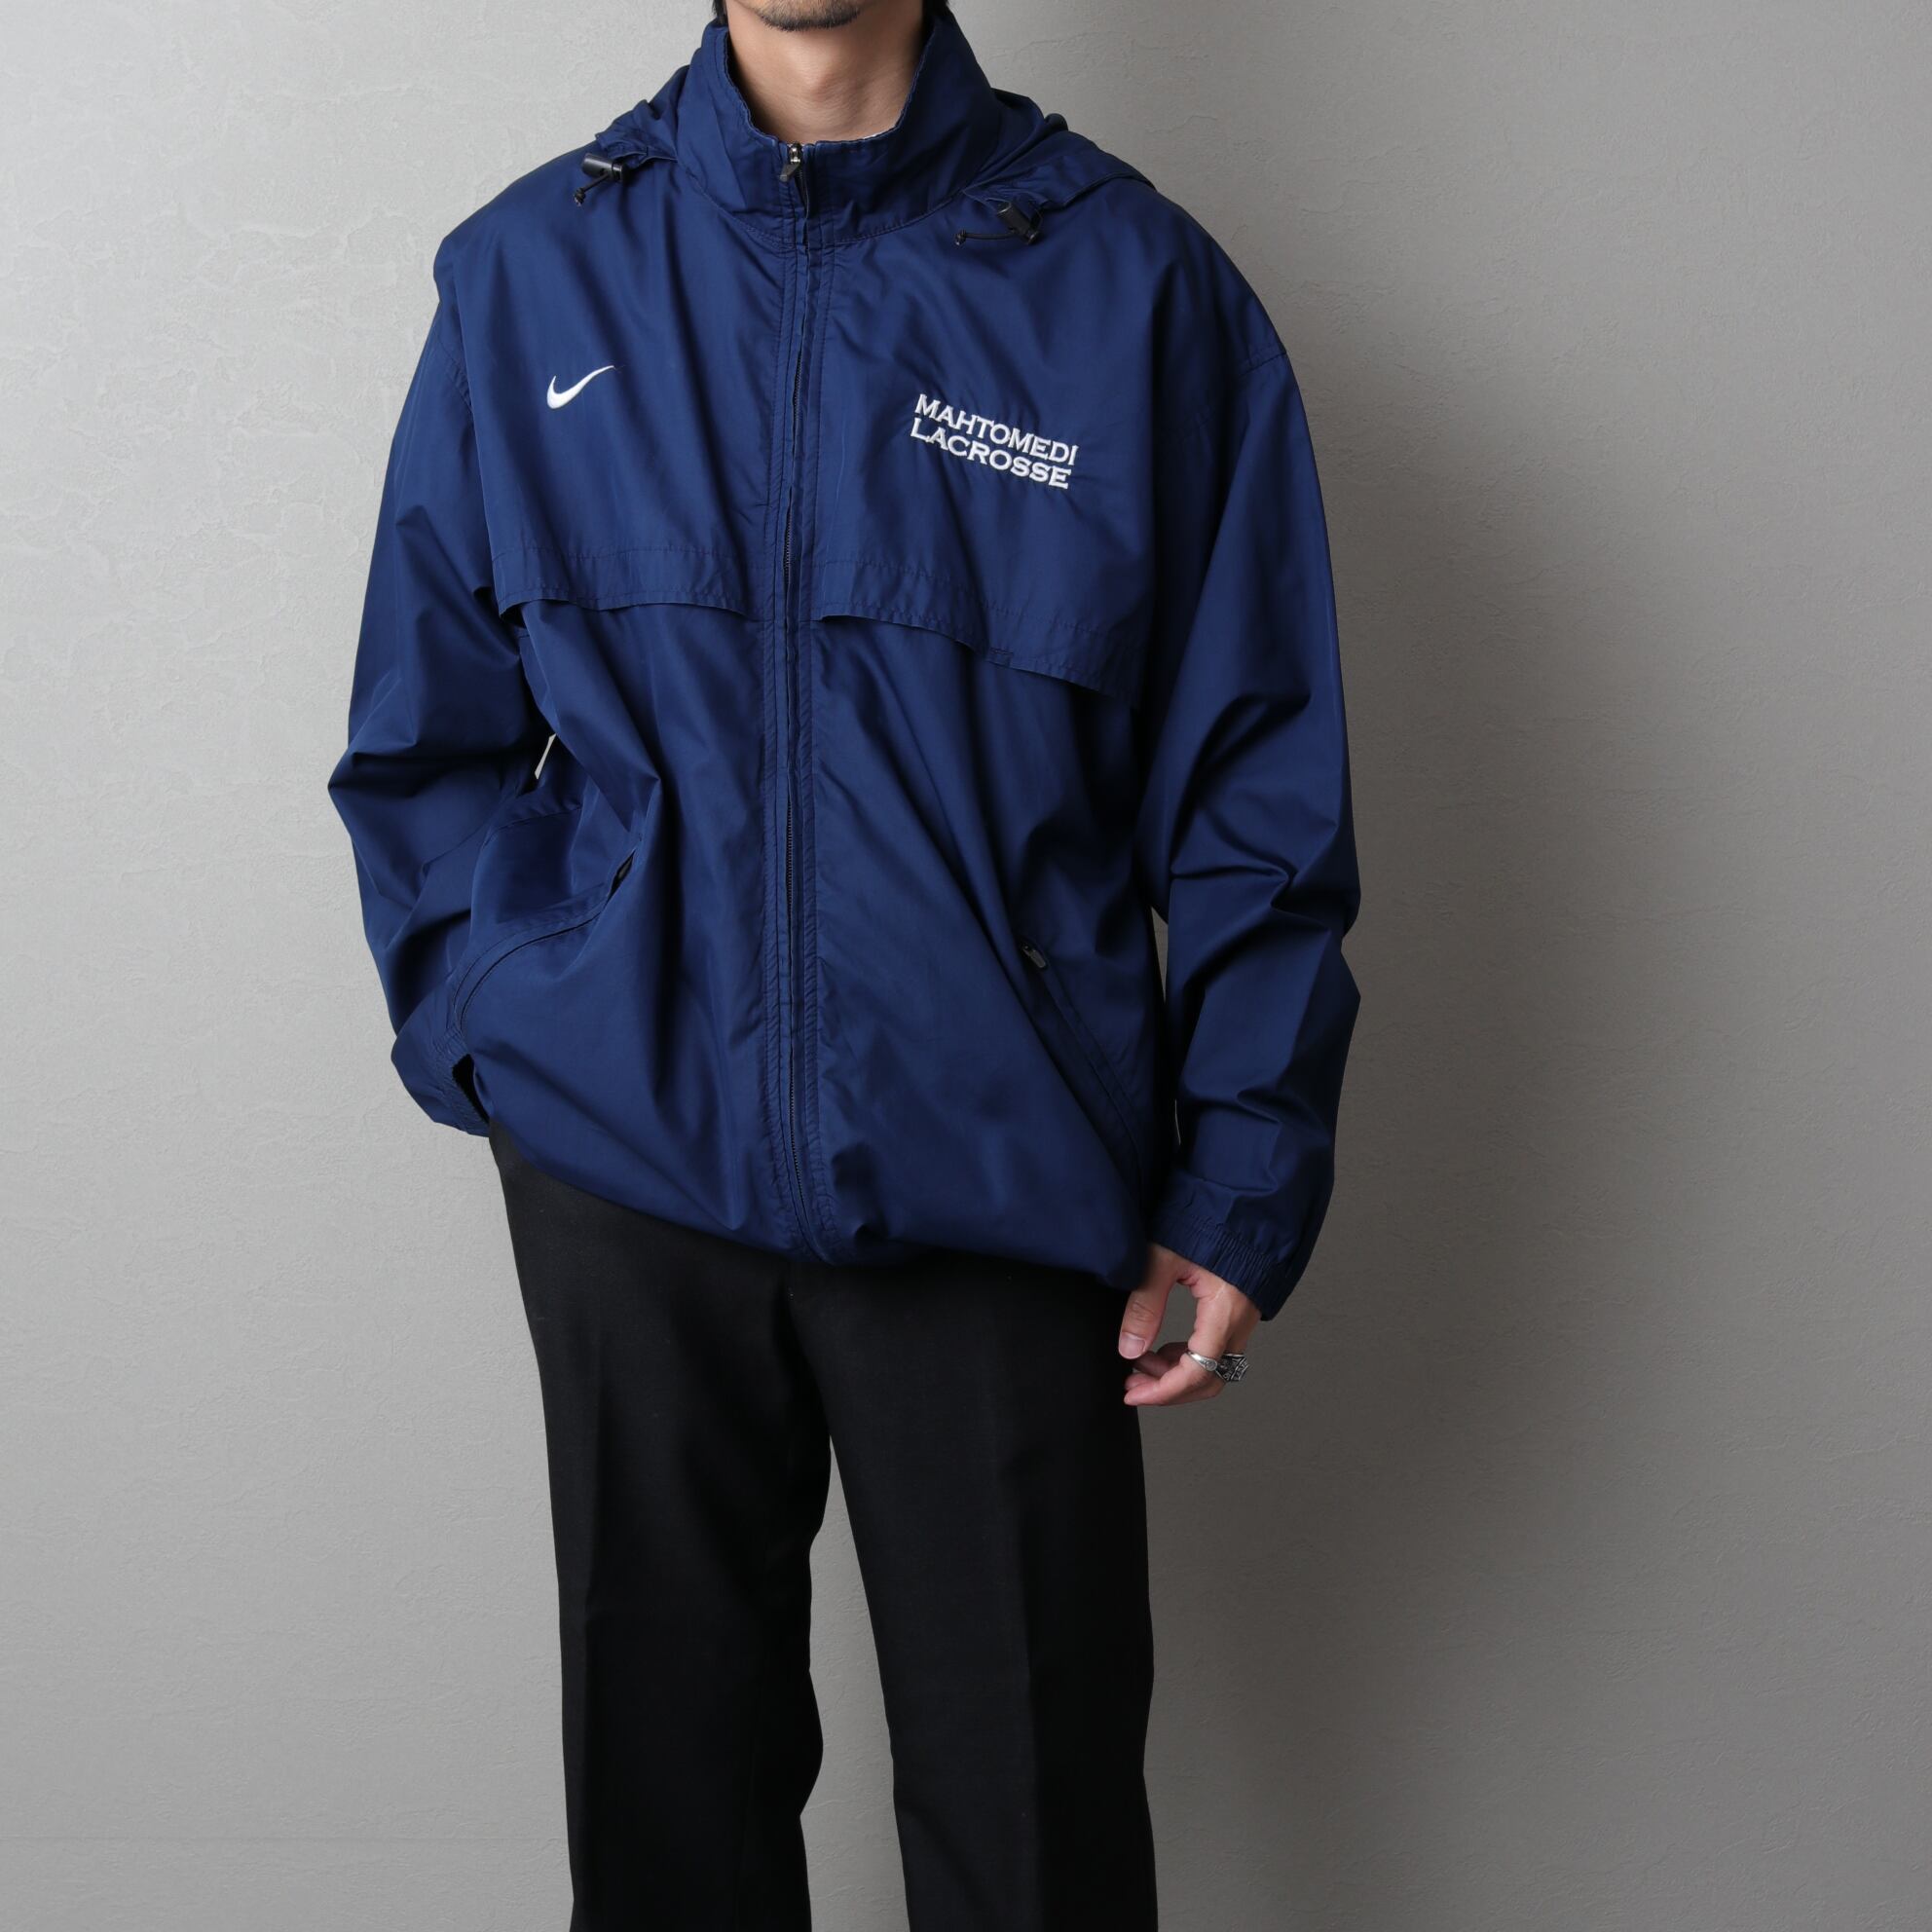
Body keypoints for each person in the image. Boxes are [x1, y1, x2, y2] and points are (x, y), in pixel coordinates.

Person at [328, 0, 1359, 1923]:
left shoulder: (1136, 294)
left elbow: (1256, 784)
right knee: (669, 1830)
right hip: (628, 1165)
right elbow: (424, 734)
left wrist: (1241, 1173)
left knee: (1034, 1832)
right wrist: (510, 1034)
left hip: (1000, 1172)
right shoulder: (532, 273)